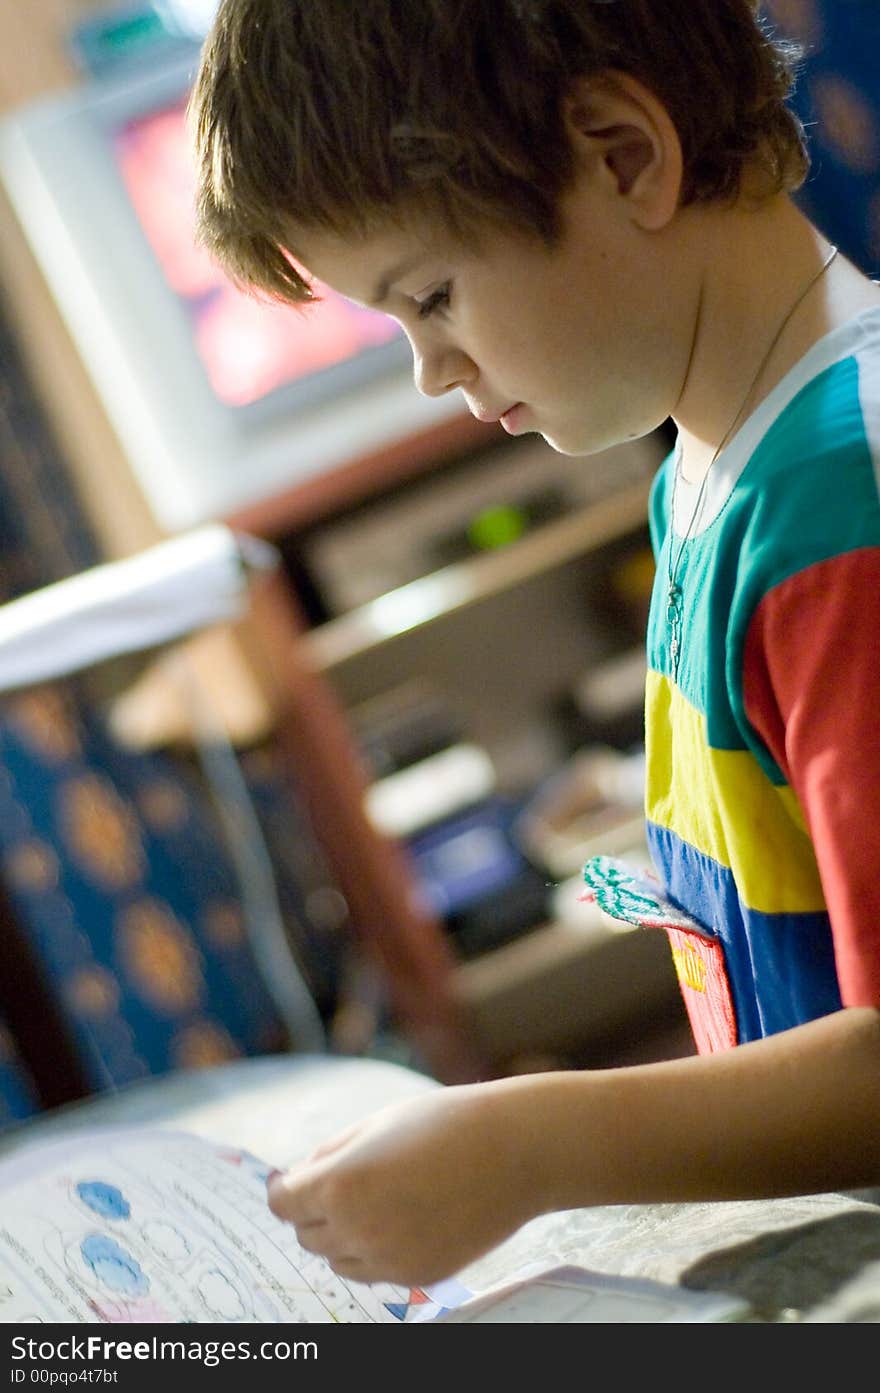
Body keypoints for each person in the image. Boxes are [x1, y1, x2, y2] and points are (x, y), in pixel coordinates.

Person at [188, 0, 880, 1287]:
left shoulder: (846, 499)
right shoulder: (710, 476)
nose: (429, 370)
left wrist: (536, 1144)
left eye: (431, 294)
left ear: (624, 155)